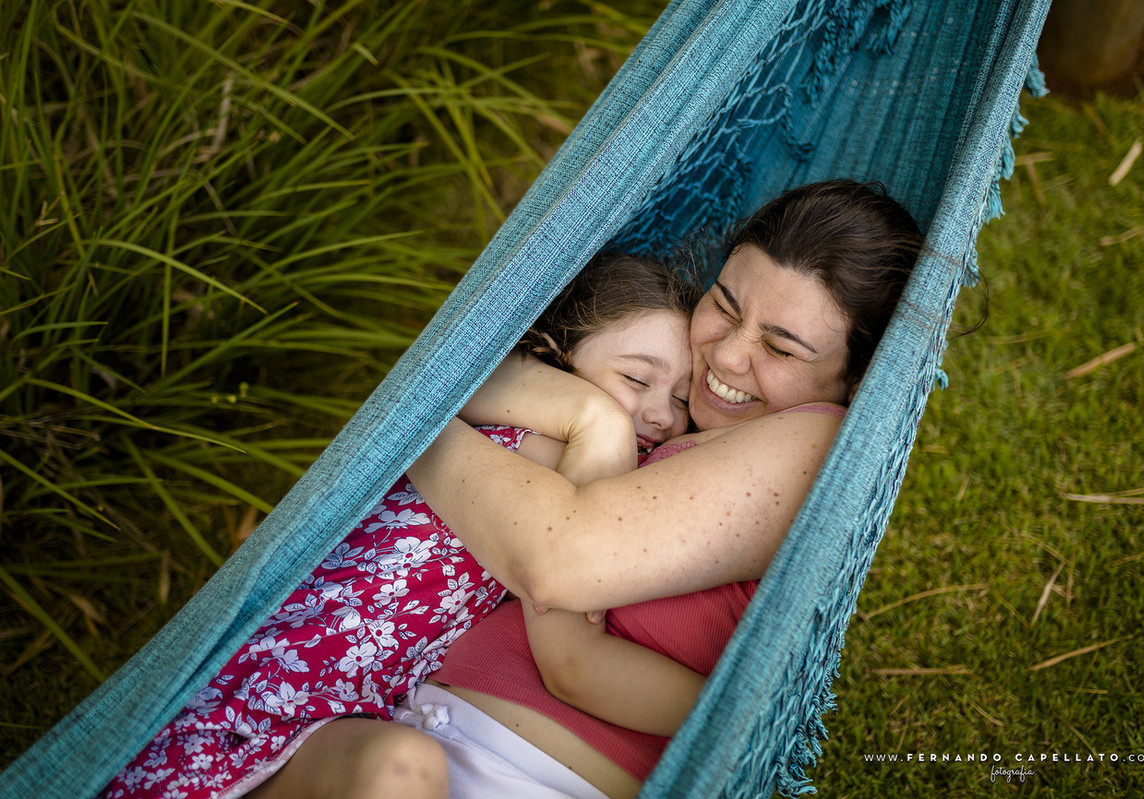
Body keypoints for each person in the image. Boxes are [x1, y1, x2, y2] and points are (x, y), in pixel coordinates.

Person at [393, 178, 924, 796]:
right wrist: (592, 417)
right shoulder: (672, 408)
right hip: (419, 733)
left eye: (779, 347)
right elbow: (466, 374)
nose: (726, 357)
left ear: (858, 381)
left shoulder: (816, 446)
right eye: (724, 305)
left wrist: (408, 425)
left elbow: (556, 559)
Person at [100, 253, 699, 799]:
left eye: (682, 397)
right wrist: (597, 420)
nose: (661, 414)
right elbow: (444, 372)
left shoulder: (519, 439)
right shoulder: (508, 432)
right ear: (552, 356)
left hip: (339, 708)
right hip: (277, 676)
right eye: (637, 379)